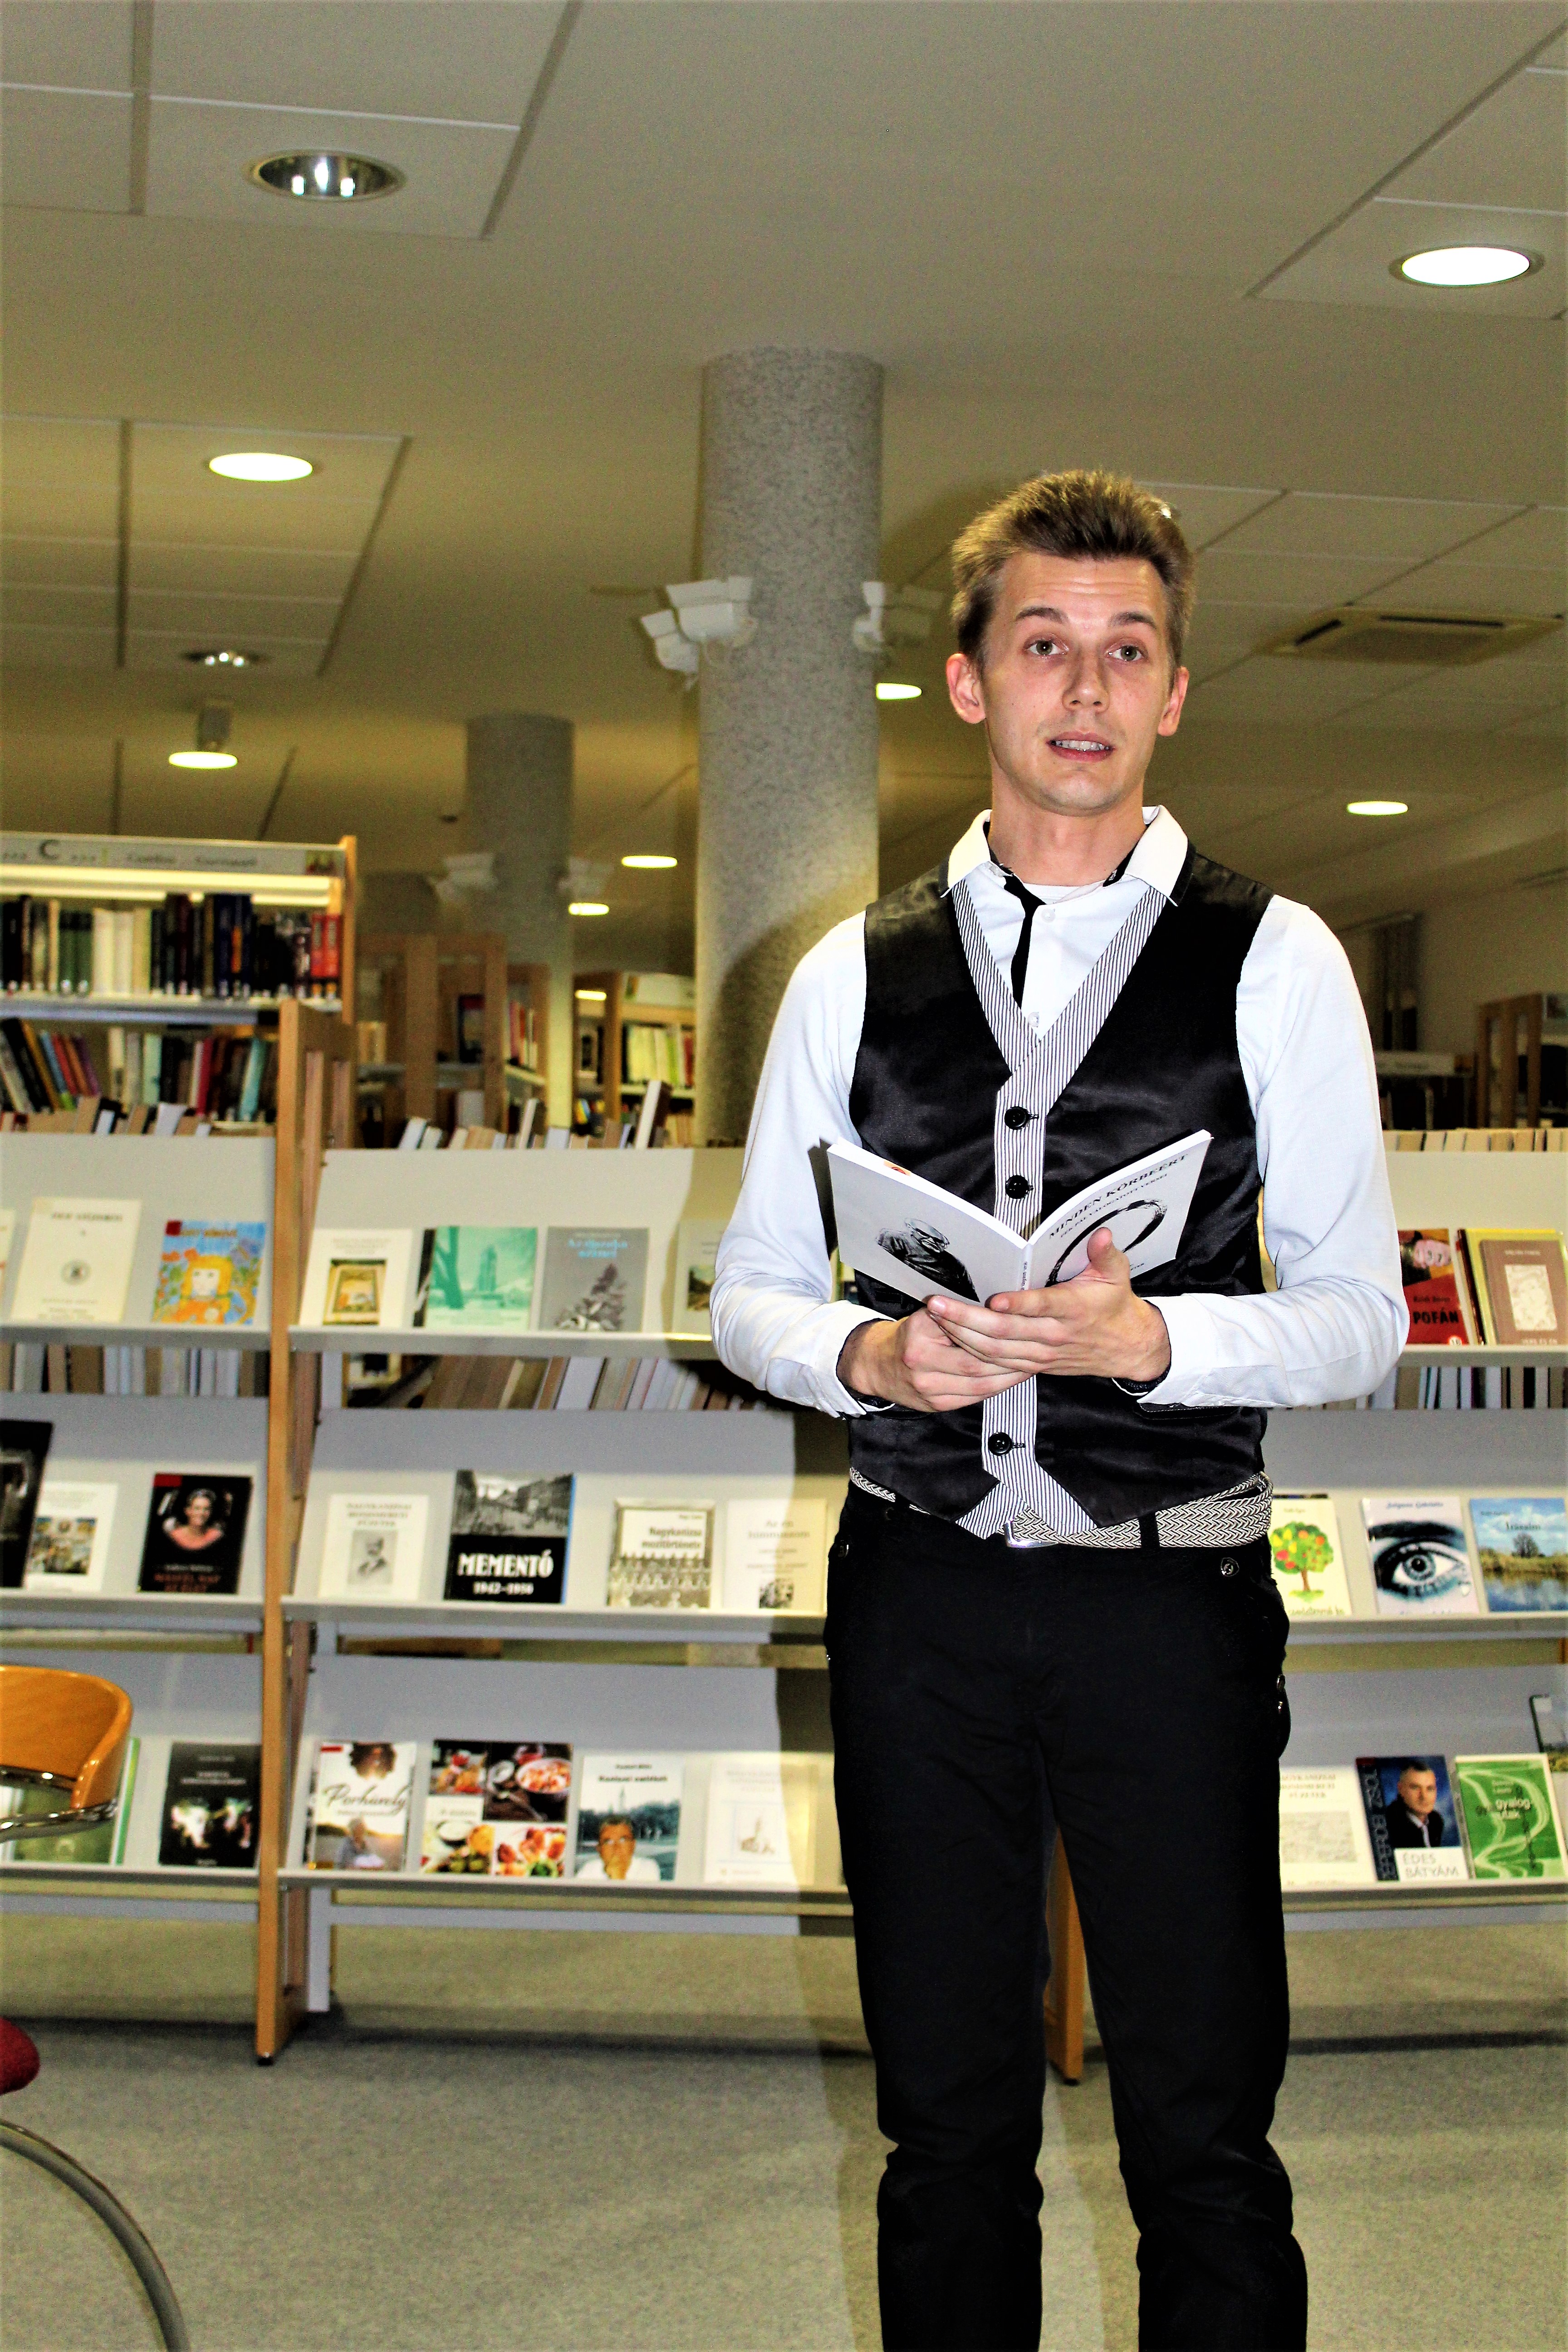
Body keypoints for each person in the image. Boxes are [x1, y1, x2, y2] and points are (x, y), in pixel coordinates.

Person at [711, 470, 1406, 2352]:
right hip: (918, 1592)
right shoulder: (850, 970)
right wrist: (870, 1360)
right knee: (943, 2129)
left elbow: (1361, 1319)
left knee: (1202, 2129)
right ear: (968, 681)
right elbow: (752, 1289)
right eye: (1042, 645)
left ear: (1175, 689)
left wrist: (1152, 1343)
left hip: (1167, 1602)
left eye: (1126, 649)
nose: (1084, 689)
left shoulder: (1278, 959)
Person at [575, 1814, 663, 1883]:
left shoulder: (647, 1868)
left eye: (623, 1840)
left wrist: (618, 1878)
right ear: (599, 1849)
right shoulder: (589, 1870)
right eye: (608, 1842)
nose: (616, 1848)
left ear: (633, 1846)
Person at [1384, 1761, 1449, 1847]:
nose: (1424, 1796)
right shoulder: (1388, 1823)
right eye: (1415, 1788)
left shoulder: (1436, 1821)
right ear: (1401, 1789)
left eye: (1430, 1789)